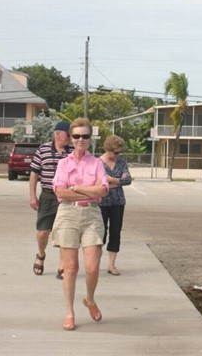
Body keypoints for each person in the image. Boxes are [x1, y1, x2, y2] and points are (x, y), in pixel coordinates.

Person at [52, 117, 109, 331]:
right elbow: (60, 191)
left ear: (90, 138)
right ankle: (69, 311)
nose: (80, 140)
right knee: (71, 268)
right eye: (76, 136)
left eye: (85, 136)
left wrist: (76, 188)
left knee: (93, 267)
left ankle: (90, 299)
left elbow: (103, 190)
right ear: (70, 137)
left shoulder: (97, 164)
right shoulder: (63, 164)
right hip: (68, 214)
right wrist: (88, 189)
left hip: (92, 215)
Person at [29, 120, 72, 279]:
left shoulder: (73, 150)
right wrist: (33, 195)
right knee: (43, 232)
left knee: (64, 232)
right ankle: (41, 254)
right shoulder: (43, 149)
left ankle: (62, 265)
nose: (71, 137)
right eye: (68, 134)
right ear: (57, 134)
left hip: (67, 196)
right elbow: (34, 173)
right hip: (47, 195)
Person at [99, 135, 132, 276]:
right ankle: (95, 262)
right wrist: (118, 181)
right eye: (116, 152)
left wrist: (112, 180)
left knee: (115, 232)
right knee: (100, 233)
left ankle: (112, 265)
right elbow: (98, 181)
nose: (118, 155)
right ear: (108, 150)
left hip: (118, 202)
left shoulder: (121, 162)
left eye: (120, 152)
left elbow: (128, 180)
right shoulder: (98, 163)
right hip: (101, 202)